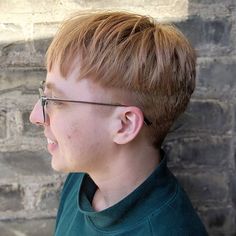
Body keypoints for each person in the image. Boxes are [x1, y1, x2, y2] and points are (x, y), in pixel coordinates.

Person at [30, 11, 208, 236]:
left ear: (124, 124)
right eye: (45, 96)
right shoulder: (82, 178)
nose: (36, 116)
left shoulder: (169, 230)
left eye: (55, 100)